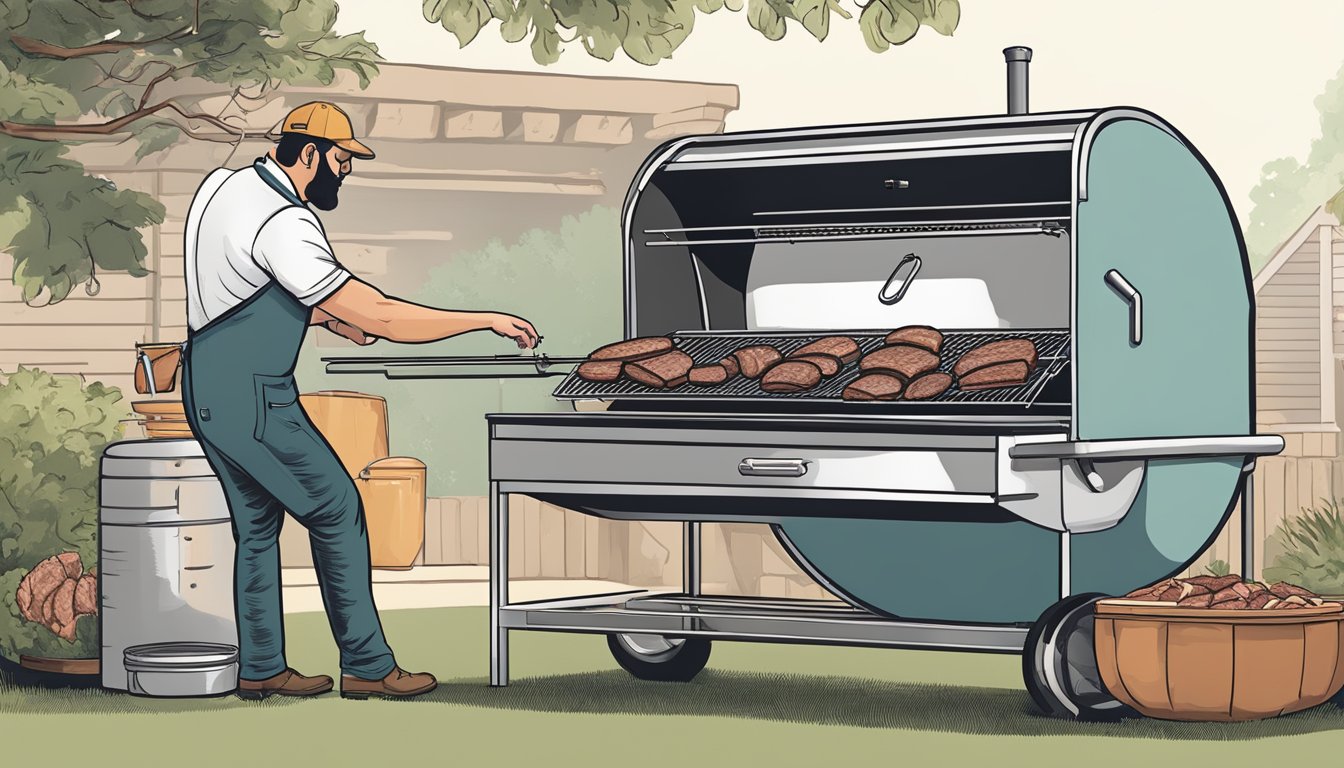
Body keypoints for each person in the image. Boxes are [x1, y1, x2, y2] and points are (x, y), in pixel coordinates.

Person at [180, 101, 539, 701]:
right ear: (310, 153)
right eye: (342, 160)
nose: (345, 173)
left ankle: (262, 666)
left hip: (206, 388)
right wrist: (485, 320)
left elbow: (242, 280)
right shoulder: (286, 221)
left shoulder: (224, 186)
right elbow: (380, 313)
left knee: (258, 525)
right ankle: (368, 666)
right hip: (255, 395)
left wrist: (325, 317)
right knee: (338, 509)